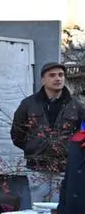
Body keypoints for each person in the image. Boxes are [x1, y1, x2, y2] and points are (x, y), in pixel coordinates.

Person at [11, 62, 85, 204]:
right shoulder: (28, 104)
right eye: (52, 75)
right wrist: (33, 148)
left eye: (61, 75)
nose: (57, 78)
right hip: (37, 167)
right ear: (43, 80)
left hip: (64, 167)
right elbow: (17, 133)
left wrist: (72, 152)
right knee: (39, 210)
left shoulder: (76, 105)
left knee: (61, 208)